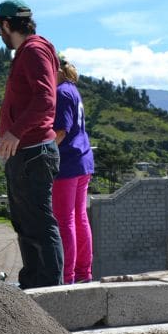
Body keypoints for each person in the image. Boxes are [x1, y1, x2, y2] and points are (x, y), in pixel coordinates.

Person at [0, 0, 62, 289]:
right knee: (26, 224)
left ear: (6, 25)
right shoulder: (30, 51)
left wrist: (15, 132)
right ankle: (34, 286)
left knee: (39, 223)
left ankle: (49, 289)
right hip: (26, 154)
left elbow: (46, 100)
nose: (1, 36)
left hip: (33, 152)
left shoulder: (33, 50)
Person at [53, 52, 95, 284]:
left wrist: (43, 153)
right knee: (79, 217)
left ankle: (67, 275)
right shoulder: (73, 91)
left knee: (64, 218)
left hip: (67, 164)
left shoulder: (61, 93)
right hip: (83, 160)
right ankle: (83, 272)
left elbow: (60, 131)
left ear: (57, 69)